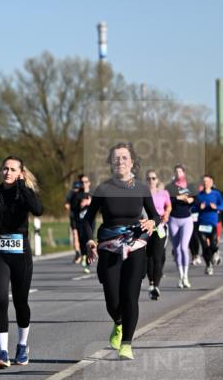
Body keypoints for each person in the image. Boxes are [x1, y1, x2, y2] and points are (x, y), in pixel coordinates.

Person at [83, 143, 157, 360]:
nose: (120, 162)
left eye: (124, 158)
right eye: (116, 158)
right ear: (111, 163)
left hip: (135, 246)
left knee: (130, 296)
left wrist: (152, 222)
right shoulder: (103, 189)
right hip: (108, 246)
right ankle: (118, 323)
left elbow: (155, 215)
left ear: (132, 162)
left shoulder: (142, 188)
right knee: (112, 299)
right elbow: (88, 218)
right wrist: (89, 240)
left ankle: (127, 344)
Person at [0, 157, 43, 367]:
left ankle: (22, 345)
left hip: (21, 252)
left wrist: (22, 186)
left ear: (20, 172)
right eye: (5, 168)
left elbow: (38, 210)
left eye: (12, 169)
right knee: (1, 299)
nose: (7, 172)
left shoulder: (25, 193)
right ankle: (2, 352)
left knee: (21, 302)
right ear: (0, 170)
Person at [166, 164, 196, 289]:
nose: (178, 173)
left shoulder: (190, 186)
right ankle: (181, 276)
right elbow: (167, 201)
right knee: (177, 249)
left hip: (187, 219)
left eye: (180, 171)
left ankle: (186, 277)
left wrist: (191, 200)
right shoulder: (170, 187)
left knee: (184, 248)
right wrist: (178, 197)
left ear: (184, 173)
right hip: (173, 219)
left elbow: (196, 199)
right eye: (176, 171)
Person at [145, 170, 171, 299]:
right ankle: (150, 283)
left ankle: (156, 285)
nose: (151, 181)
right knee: (147, 257)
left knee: (157, 256)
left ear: (157, 180)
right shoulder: (142, 193)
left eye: (153, 178)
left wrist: (166, 214)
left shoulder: (163, 193)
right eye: (149, 178)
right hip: (146, 229)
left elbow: (169, 207)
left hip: (160, 227)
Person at [195, 175, 223, 275]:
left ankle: (215, 252)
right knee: (204, 247)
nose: (205, 183)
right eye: (204, 182)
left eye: (207, 182)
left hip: (212, 223)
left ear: (211, 183)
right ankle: (208, 265)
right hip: (202, 224)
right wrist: (200, 207)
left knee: (212, 245)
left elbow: (222, 206)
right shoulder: (199, 195)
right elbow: (193, 208)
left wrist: (216, 206)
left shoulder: (216, 194)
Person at [65, 177, 82, 263]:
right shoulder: (72, 194)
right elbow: (67, 204)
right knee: (76, 234)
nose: (76, 190)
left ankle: (80, 252)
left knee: (79, 235)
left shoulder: (78, 194)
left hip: (79, 218)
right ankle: (78, 253)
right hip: (75, 218)